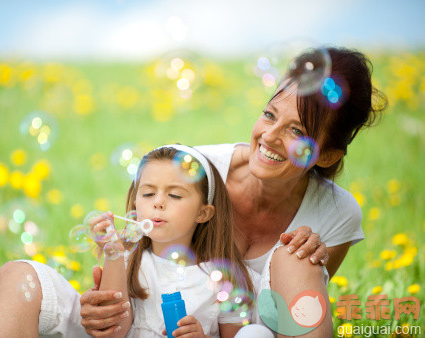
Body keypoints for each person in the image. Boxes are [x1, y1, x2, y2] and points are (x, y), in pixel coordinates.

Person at [79, 47, 387, 337]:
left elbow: (300, 312)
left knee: (298, 256)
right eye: (269, 115)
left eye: (296, 131)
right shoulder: (194, 173)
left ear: (327, 155)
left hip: (265, 329)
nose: (269, 136)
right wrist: (107, 301)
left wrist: (310, 256)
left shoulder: (336, 212)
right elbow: (140, 255)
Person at [89, 145, 273, 337]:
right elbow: (111, 333)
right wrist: (113, 254)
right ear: (136, 203)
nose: (158, 202)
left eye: (175, 195)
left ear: (203, 213)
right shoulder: (127, 263)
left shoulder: (225, 278)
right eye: (148, 194)